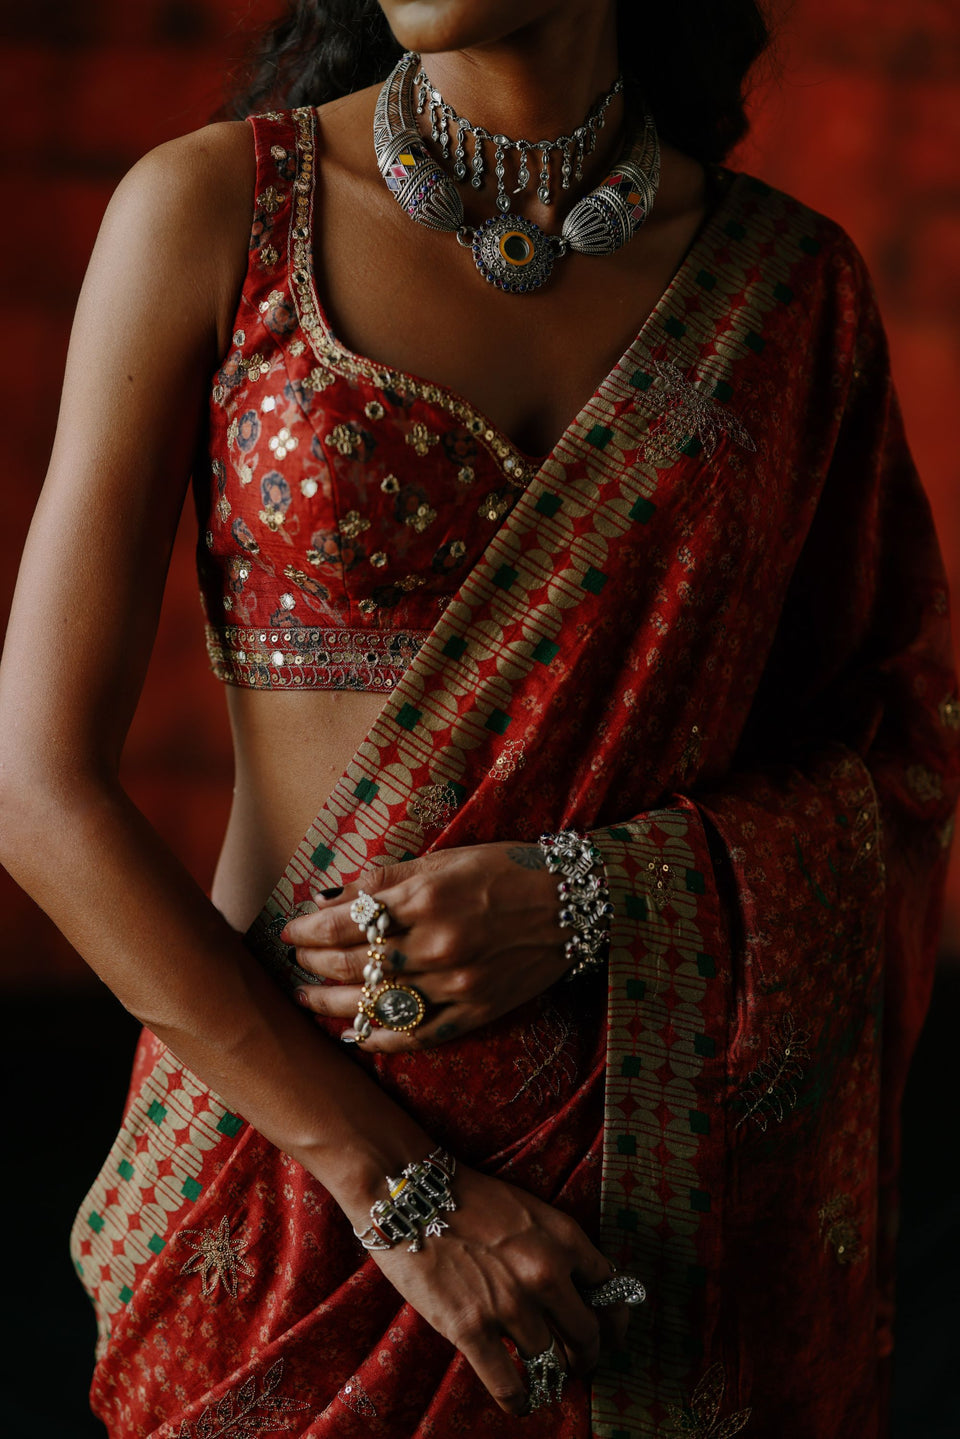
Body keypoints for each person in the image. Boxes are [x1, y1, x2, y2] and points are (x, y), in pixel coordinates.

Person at [0, 1, 955, 1434]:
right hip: (289, 1206)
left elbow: (898, 759)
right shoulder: (219, 209)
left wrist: (598, 896)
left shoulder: (786, 295)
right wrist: (403, 1191)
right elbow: (35, 790)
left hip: (653, 1242)